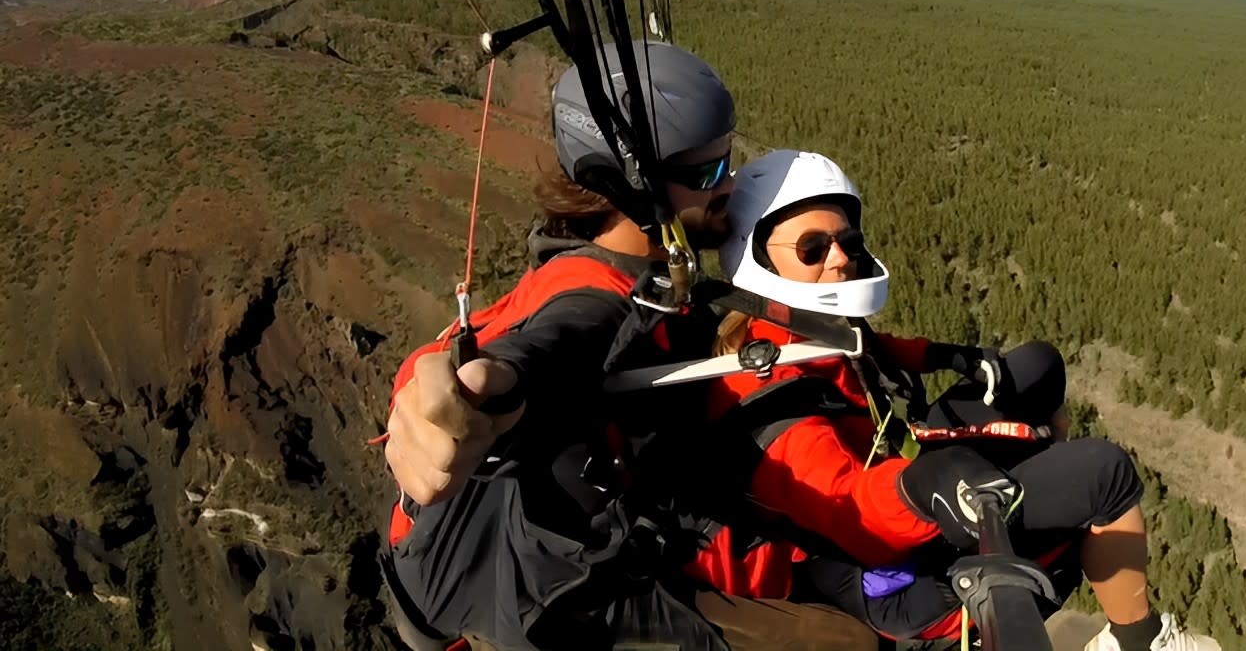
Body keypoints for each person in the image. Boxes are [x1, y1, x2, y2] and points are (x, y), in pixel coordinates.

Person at [379, 42, 876, 651]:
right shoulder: (597, 294)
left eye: (728, 160)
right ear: (626, 184)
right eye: (705, 174)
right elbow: (553, 345)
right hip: (560, 596)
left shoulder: (642, 265)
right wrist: (484, 393)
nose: (728, 184)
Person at [710, 150, 1204, 651]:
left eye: (847, 242)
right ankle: (1138, 638)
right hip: (889, 578)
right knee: (1104, 472)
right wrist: (922, 485)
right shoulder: (765, 389)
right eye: (812, 248)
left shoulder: (800, 327)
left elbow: (872, 348)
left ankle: (1046, 491)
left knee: (1034, 368)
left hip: (897, 490)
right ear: (759, 260)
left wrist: (950, 356)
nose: (839, 258)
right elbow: (847, 510)